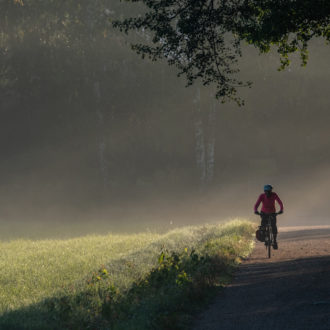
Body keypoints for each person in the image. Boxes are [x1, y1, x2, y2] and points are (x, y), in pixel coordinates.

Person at [254, 184, 283, 249]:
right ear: (264, 191)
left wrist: (281, 210)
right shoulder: (262, 196)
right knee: (263, 226)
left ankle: (274, 241)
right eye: (266, 192)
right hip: (264, 213)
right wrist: (256, 210)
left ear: (271, 191)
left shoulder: (274, 195)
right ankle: (265, 238)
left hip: (272, 213)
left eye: (269, 191)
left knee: (273, 226)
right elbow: (256, 205)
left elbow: (280, 203)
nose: (268, 193)